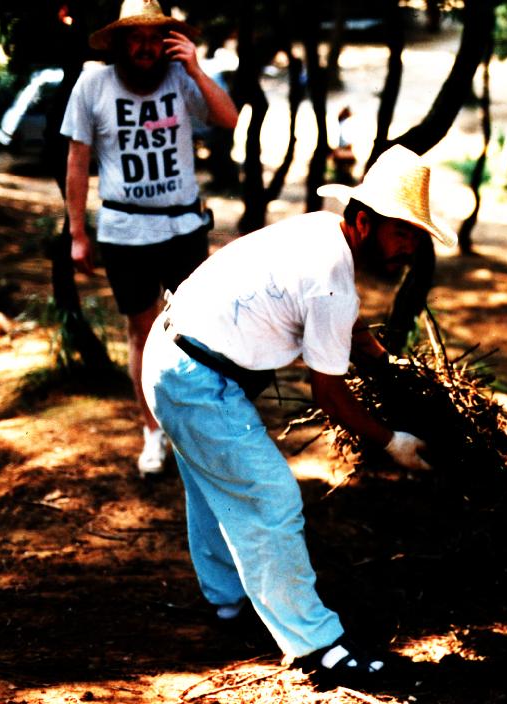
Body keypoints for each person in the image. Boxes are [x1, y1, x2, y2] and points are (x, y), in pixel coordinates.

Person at [140, 145, 457, 688]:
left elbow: (344, 323)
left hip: (169, 357)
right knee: (270, 498)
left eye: (414, 235)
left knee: (217, 491)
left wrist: (389, 368)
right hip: (195, 380)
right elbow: (329, 393)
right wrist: (391, 442)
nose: (409, 247)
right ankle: (318, 646)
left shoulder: (322, 230)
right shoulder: (330, 274)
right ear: (363, 221)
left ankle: (229, 606)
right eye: (402, 232)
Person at [61, 0, 239, 477]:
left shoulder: (182, 80)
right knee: (142, 330)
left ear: (166, 41)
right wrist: (77, 232)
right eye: (134, 37)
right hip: (125, 230)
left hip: (183, 226)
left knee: (197, 332)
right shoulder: (92, 85)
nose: (144, 46)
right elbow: (78, 160)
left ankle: (196, 430)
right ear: (119, 42)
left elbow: (229, 119)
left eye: (153, 36)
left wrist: (198, 70)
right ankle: (152, 432)